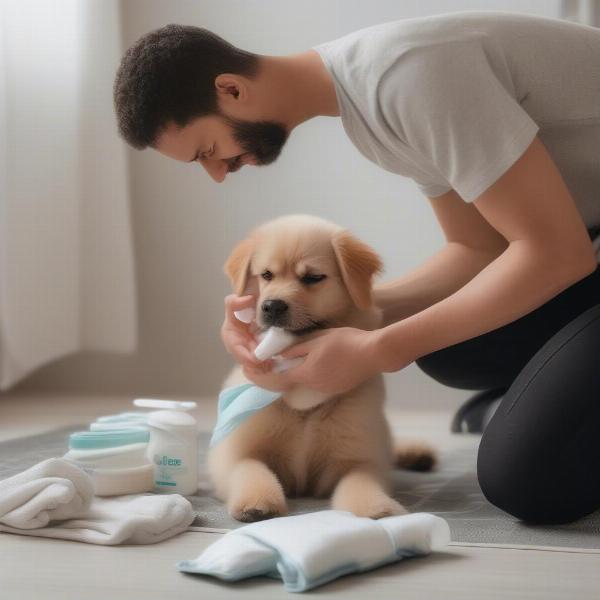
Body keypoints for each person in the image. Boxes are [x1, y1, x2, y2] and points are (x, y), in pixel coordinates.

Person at [113, 11, 600, 524]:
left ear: (231, 90)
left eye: (208, 151)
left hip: (576, 249)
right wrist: (311, 319)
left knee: (528, 484)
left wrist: (377, 348)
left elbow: (553, 254)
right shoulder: (368, 105)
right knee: (445, 345)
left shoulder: (409, 79)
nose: (217, 173)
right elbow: (475, 250)